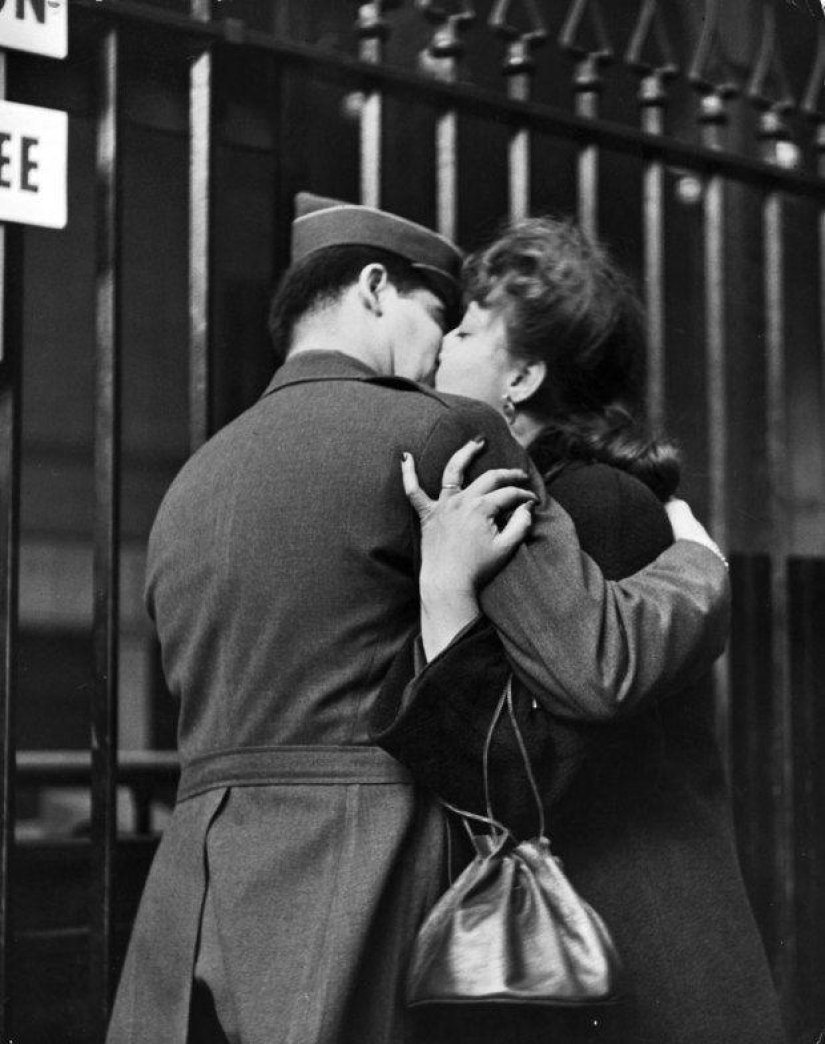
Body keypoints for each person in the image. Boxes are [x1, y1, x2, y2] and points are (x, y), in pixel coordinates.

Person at [106, 196, 731, 1044]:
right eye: (440, 316)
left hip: (194, 904)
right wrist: (699, 563)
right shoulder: (441, 432)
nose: (439, 348)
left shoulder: (191, 483)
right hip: (359, 884)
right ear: (372, 289)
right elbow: (591, 664)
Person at [372, 217, 787, 1044]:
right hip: (604, 939)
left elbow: (528, 770)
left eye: (462, 330)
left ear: (521, 376)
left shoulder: (593, 504)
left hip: (632, 954)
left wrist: (443, 591)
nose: (438, 351)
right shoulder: (544, 501)